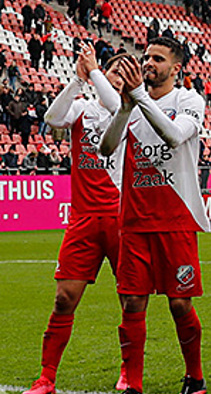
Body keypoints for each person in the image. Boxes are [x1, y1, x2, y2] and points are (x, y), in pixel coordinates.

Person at [98, 38, 210, 394]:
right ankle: (133, 383)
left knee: (179, 303)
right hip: (134, 220)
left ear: (176, 68)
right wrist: (124, 109)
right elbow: (105, 148)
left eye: (157, 58)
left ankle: (195, 377)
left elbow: (175, 136)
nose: (148, 62)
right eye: (146, 56)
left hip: (176, 218)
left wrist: (137, 98)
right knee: (132, 301)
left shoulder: (188, 101)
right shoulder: (131, 103)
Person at [23, 46, 124, 394]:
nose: (120, 79)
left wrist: (94, 72)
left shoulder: (132, 113)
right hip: (83, 219)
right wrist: (78, 80)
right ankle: (46, 378)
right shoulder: (82, 109)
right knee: (64, 299)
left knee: (130, 300)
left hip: (121, 218)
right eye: (116, 72)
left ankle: (129, 372)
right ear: (105, 74)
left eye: (127, 76)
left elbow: (115, 105)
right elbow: (53, 119)